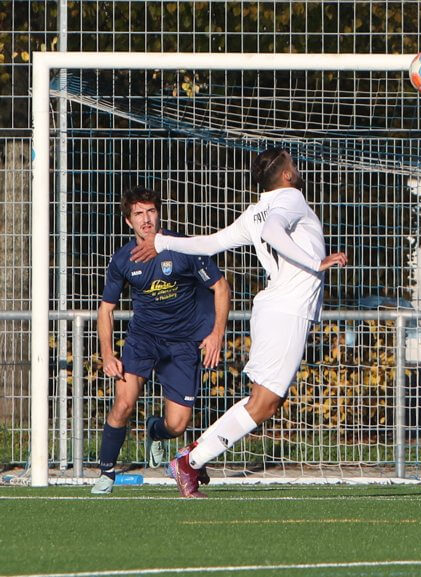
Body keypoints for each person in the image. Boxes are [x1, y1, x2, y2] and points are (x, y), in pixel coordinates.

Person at [130, 148, 348, 498]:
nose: (296, 167)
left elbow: (212, 243)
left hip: (274, 308)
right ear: (287, 175)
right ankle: (190, 460)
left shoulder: (255, 211)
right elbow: (276, 231)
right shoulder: (290, 198)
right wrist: (316, 262)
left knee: (262, 400)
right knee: (264, 403)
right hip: (286, 310)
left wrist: (163, 241)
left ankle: (192, 459)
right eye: (293, 163)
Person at [93, 187, 231, 495]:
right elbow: (106, 309)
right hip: (143, 340)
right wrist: (107, 353)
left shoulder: (184, 247)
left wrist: (215, 335)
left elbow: (221, 288)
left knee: (177, 425)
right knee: (124, 403)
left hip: (183, 344)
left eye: (151, 211)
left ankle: (154, 432)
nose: (146, 219)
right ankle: (106, 473)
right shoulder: (122, 260)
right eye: (139, 214)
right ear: (128, 222)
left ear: (159, 213)